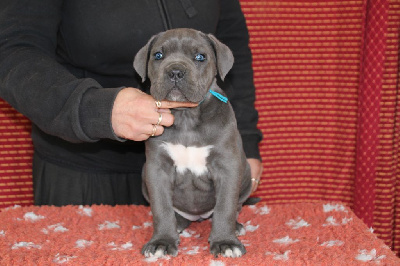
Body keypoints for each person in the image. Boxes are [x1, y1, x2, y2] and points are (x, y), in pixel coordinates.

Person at [0, 0, 263, 206]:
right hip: (84, 166)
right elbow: (13, 50)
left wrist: (245, 143)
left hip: (203, 171)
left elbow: (232, 43)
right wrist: (96, 109)